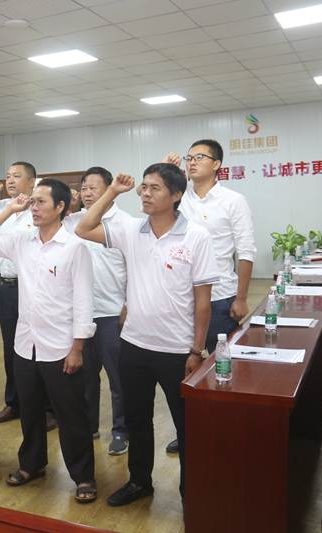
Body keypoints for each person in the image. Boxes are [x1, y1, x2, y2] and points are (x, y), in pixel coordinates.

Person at [75, 165, 218, 507]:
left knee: (186, 426)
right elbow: (83, 227)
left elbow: (203, 302)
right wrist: (112, 191)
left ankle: (191, 493)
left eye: (155, 188)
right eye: (144, 187)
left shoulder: (196, 236)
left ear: (176, 194)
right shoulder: (130, 230)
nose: (145, 194)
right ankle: (140, 482)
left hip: (178, 349)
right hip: (135, 345)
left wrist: (197, 349)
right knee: (138, 420)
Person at [0, 178, 98, 503]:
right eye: (33, 202)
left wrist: (78, 348)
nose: (34, 207)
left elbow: (84, 301)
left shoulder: (74, 247)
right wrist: (10, 209)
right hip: (25, 344)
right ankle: (32, 465)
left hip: (61, 347)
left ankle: (83, 476)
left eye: (41, 202)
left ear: (61, 207)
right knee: (29, 412)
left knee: (71, 416)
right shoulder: (22, 241)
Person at [161, 140, 256, 454]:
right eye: (188, 157)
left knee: (217, 368)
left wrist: (241, 297)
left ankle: (220, 430)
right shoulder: (178, 197)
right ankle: (188, 431)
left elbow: (246, 250)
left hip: (220, 296)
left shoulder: (233, 200)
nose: (191, 162)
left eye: (199, 157)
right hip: (180, 299)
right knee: (182, 367)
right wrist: (167, 173)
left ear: (217, 164)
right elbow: (153, 214)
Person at [0, 162, 57, 431]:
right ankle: (14, 402)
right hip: (6, 288)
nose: (10, 180)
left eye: (17, 176)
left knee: (41, 347)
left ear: (32, 181)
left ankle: (48, 408)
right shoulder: (0, 207)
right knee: (12, 347)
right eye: (7, 176)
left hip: (35, 287)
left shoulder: (40, 208)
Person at [64, 167, 130, 455]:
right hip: (81, 314)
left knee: (118, 378)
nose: (88, 193)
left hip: (112, 312)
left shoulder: (126, 223)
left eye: (94, 188)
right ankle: (89, 425)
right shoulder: (72, 222)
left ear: (110, 189)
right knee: (85, 376)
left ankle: (121, 430)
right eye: (84, 188)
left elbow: (135, 269)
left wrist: (129, 305)